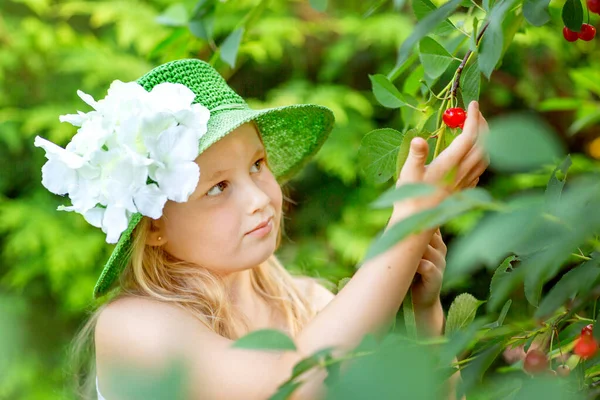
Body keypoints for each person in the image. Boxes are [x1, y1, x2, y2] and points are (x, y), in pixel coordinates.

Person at [35, 59, 488, 399]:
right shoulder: (133, 326)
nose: (258, 199)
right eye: (217, 188)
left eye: (256, 165)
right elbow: (287, 385)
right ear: (154, 225)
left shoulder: (309, 304)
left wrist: (427, 318)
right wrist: (407, 225)